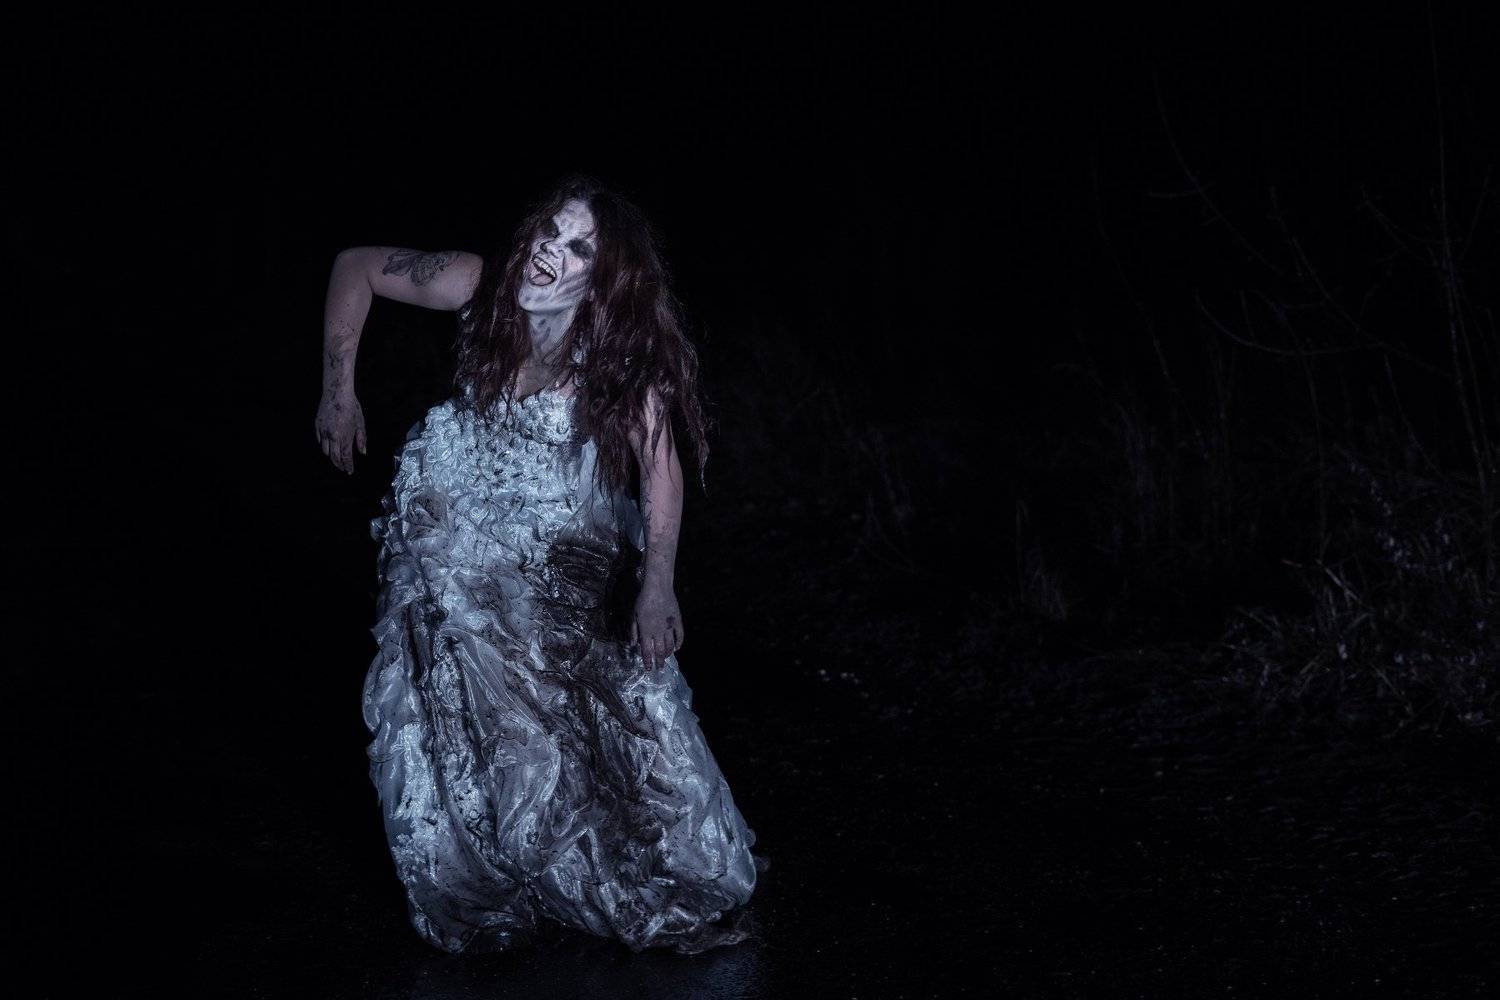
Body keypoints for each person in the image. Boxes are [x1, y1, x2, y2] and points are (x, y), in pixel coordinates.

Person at [314, 173, 766, 956]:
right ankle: (478, 876)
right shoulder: (477, 283)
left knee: (595, 708)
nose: (551, 253)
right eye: (550, 233)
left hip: (554, 554)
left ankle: (627, 864)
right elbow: (355, 265)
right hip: (450, 538)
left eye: (580, 248)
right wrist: (337, 393)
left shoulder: (620, 355)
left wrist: (658, 584)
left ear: (606, 276)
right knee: (448, 696)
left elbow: (660, 469)